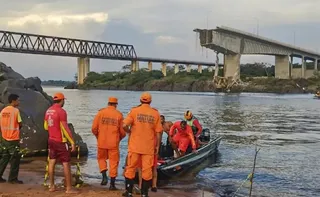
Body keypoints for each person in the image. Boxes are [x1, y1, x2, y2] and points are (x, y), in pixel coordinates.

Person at [122, 92, 162, 197]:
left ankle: (129, 192)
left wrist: (129, 131)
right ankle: (144, 194)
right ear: (150, 101)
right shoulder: (155, 113)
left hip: (135, 146)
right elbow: (158, 132)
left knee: (130, 168)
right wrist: (157, 146)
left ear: (140, 100)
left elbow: (124, 125)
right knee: (147, 171)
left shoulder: (134, 111)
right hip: (148, 148)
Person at [44, 92, 78, 194]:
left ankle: (52, 186)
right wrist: (72, 142)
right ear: (62, 100)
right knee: (66, 163)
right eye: (64, 100)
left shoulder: (48, 110)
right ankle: (69, 188)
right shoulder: (61, 111)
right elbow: (65, 128)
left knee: (52, 161)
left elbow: (45, 126)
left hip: (51, 140)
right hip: (60, 141)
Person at [91, 97, 126, 190]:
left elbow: (94, 128)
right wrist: (119, 139)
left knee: (101, 159)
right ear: (116, 104)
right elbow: (123, 132)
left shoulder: (100, 113)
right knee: (114, 162)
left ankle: (104, 176)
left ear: (108, 103)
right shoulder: (119, 115)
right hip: (113, 143)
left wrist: (98, 137)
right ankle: (112, 184)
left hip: (101, 142)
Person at [0, 94, 23, 184]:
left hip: (4, 138)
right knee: (15, 159)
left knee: (4, 158)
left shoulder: (3, 111)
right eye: (18, 100)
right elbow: (20, 123)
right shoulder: (16, 111)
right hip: (13, 138)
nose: (19, 102)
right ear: (13, 101)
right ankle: (13, 179)